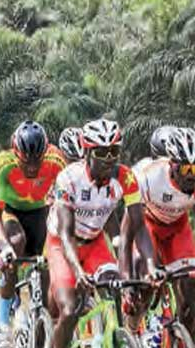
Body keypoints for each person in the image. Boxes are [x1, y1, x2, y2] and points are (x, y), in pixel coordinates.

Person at [46, 119, 156, 348]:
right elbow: (66, 234)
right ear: (87, 152)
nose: (109, 159)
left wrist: (150, 266)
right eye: (101, 152)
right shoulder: (68, 178)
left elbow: (139, 226)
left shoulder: (125, 177)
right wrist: (78, 271)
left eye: (114, 151)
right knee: (69, 310)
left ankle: (109, 338)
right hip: (62, 243)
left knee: (115, 286)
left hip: (95, 242)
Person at [0, 120, 67, 347]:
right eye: (26, 161)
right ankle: (3, 325)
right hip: (11, 213)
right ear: (16, 153)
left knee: (45, 276)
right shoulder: (4, 164)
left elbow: (64, 205)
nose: (32, 167)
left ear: (46, 152)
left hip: (40, 212)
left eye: (37, 160)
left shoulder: (56, 160)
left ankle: (40, 333)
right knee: (15, 243)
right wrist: (3, 247)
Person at [136, 127, 195, 336]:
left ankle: (181, 334)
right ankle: (134, 327)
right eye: (187, 170)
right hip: (148, 225)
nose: (192, 176)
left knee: (191, 295)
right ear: (172, 165)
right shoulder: (147, 176)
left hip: (178, 228)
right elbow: (129, 218)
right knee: (144, 281)